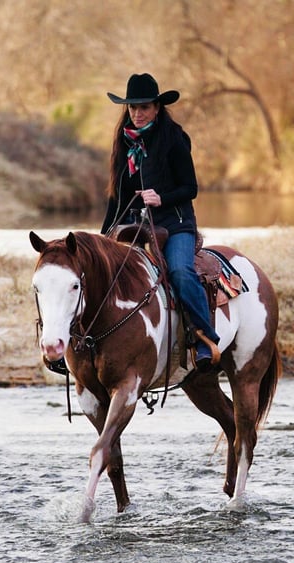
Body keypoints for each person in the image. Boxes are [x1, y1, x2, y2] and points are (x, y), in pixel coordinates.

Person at [101, 73, 220, 371]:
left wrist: (161, 198)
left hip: (175, 223)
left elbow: (190, 188)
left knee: (179, 271)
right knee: (102, 273)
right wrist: (102, 237)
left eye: (144, 107)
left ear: (157, 108)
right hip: (134, 224)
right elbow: (117, 196)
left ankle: (204, 337)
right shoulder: (124, 141)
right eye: (132, 108)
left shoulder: (174, 139)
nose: (137, 114)